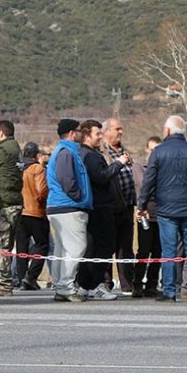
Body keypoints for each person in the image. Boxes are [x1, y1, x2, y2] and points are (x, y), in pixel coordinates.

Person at [137, 115, 187, 303]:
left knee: (169, 250)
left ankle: (170, 292)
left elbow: (149, 181)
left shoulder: (159, 151)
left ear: (168, 131)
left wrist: (142, 205)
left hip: (166, 209)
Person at [46, 118, 91, 302]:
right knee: (76, 247)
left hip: (59, 206)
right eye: (79, 130)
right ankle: (66, 285)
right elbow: (68, 181)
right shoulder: (67, 153)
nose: (82, 133)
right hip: (68, 207)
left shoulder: (64, 151)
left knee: (62, 249)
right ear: (72, 133)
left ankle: (60, 285)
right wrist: (78, 197)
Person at [78, 120, 120, 300]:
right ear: (87, 135)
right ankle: (94, 284)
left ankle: (87, 284)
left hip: (95, 205)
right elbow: (101, 177)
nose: (100, 137)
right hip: (100, 206)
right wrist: (118, 164)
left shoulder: (86, 154)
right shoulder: (90, 156)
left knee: (93, 247)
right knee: (105, 245)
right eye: (97, 134)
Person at [101, 118, 136, 294]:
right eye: (117, 129)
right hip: (111, 207)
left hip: (128, 207)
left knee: (126, 248)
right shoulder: (103, 153)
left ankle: (127, 284)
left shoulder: (124, 151)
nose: (120, 132)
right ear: (106, 132)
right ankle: (106, 283)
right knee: (108, 246)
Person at [0, 120, 23, 297]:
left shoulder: (1, 151)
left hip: (2, 203)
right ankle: (3, 282)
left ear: (0, 132)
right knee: (7, 246)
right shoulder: (16, 149)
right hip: (15, 202)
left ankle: (3, 285)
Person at [16, 142, 50, 290]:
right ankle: (31, 277)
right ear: (36, 155)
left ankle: (21, 278)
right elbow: (42, 190)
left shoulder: (17, 168)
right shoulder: (38, 168)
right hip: (36, 212)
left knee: (21, 247)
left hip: (20, 212)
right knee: (42, 245)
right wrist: (42, 204)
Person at [131, 136, 162, 298]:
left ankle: (152, 284)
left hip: (161, 213)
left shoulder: (163, 166)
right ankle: (137, 283)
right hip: (145, 213)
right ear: (147, 150)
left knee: (158, 251)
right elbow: (144, 186)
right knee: (144, 250)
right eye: (152, 149)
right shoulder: (139, 165)